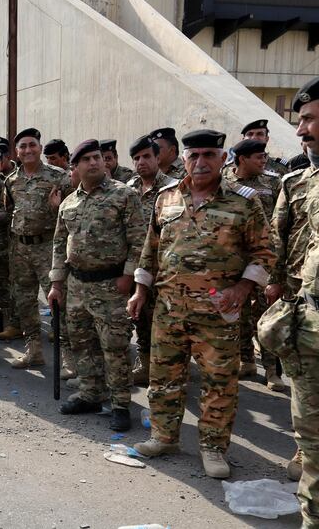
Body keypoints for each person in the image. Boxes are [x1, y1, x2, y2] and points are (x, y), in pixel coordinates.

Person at [128, 129, 275, 478]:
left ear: (224, 159)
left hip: (218, 313)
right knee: (164, 377)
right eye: (194, 155)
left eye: (209, 154)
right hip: (169, 309)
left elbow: (265, 253)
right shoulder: (166, 198)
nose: (201, 162)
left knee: (219, 383)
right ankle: (164, 436)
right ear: (184, 159)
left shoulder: (244, 201)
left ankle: (213, 448)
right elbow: (151, 249)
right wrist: (139, 291)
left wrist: (241, 289)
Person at [49, 139, 145, 432]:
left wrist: (129, 276)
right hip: (78, 285)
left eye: (97, 158)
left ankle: (120, 404)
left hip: (110, 284)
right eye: (86, 160)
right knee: (82, 342)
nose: (94, 163)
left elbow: (139, 240)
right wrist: (57, 283)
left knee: (114, 347)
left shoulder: (124, 195)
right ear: (74, 167)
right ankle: (91, 393)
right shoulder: (69, 202)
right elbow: (58, 243)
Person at [273, 78, 319, 519]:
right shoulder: (298, 181)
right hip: (306, 310)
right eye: (300, 120)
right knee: (308, 416)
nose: (301, 129)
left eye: (309, 119)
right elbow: (279, 239)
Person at [5, 128, 74, 372]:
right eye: (22, 146)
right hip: (20, 249)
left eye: (32, 145)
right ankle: (33, 350)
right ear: (17, 151)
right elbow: (9, 211)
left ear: (40, 148)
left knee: (58, 304)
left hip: (47, 248)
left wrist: (57, 209)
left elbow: (74, 213)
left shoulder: (59, 177)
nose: (27, 150)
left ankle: (68, 357)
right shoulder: (11, 180)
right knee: (24, 302)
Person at [224, 138, 283, 388]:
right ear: (242, 160)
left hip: (264, 260)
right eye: (258, 157)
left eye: (264, 156)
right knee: (238, 315)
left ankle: (272, 371)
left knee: (266, 315)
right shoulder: (225, 184)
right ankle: (246, 361)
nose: (264, 161)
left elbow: (282, 225)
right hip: (236, 261)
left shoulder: (272, 182)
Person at [125, 136, 174, 386]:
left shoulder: (173, 189)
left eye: (146, 156)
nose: (141, 162)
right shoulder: (128, 188)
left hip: (165, 268)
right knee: (140, 317)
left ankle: (169, 370)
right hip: (136, 266)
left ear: (158, 158)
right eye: (136, 158)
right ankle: (145, 362)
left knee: (165, 321)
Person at [0, 141, 21, 340]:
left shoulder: (7, 183)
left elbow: (12, 213)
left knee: (6, 286)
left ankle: (11, 322)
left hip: (4, 243)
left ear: (2, 163)